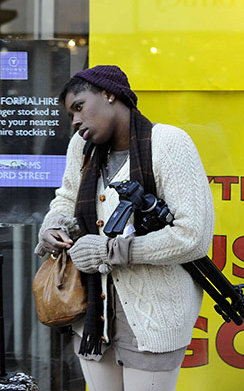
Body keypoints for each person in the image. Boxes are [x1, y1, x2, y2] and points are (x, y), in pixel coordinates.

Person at [34, 65, 215, 391]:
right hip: (91, 317)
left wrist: (109, 251)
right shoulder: (82, 147)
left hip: (153, 317)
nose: (74, 121)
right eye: (70, 114)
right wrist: (53, 226)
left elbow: (193, 237)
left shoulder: (168, 143)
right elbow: (66, 199)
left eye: (79, 107)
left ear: (109, 94)